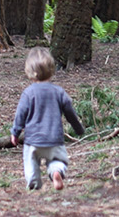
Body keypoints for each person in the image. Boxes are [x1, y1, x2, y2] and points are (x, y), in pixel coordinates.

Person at [10, 47, 85, 190]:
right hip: (54, 139)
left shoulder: (28, 93)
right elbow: (70, 111)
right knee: (57, 160)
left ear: (30, 71)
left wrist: (15, 132)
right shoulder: (58, 92)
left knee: (30, 162)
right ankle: (56, 172)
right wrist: (78, 129)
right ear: (52, 69)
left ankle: (33, 182)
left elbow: (21, 114)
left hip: (33, 141)